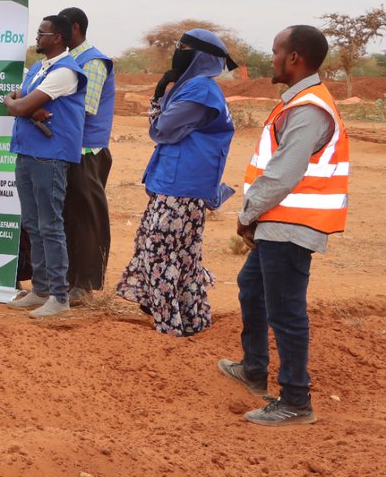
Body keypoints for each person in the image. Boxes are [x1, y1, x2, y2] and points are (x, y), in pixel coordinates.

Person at [219, 25, 348, 426]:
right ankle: (254, 368)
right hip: (278, 222)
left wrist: (246, 214)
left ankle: (296, 400)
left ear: (294, 58)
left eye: (276, 51)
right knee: (251, 288)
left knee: (287, 311)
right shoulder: (299, 102)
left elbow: (283, 174)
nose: (271, 58)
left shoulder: (308, 108)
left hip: (290, 224)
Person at [116, 28, 237, 336]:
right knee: (178, 256)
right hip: (176, 184)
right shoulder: (194, 87)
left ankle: (170, 329)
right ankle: (191, 323)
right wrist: (162, 95)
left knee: (161, 255)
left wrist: (158, 98)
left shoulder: (200, 91)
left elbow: (162, 129)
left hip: (181, 188)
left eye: (184, 48)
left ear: (200, 57)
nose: (177, 52)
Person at [4, 14, 87, 318]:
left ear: (59, 38)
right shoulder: (39, 68)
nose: (37, 38)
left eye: (42, 33)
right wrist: (23, 106)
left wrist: (21, 107)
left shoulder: (66, 72)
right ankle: (40, 290)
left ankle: (59, 296)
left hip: (50, 156)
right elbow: (19, 99)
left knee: (50, 225)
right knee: (32, 223)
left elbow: (18, 104)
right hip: (28, 152)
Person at [59, 6, 116, 297]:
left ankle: (85, 284)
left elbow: (85, 109)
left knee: (88, 219)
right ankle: (70, 281)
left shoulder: (92, 62)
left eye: (61, 29)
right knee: (69, 217)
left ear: (76, 28)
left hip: (87, 151)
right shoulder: (69, 60)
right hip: (69, 149)